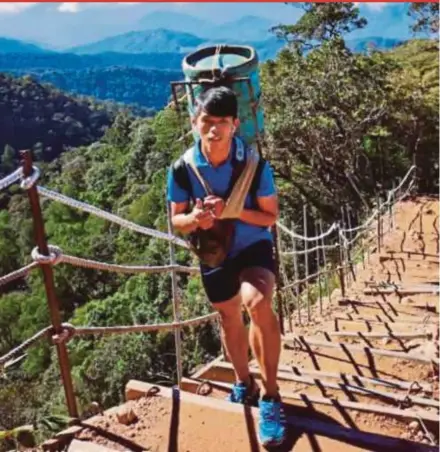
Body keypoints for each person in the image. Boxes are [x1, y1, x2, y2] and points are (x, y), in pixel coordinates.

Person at [167, 86, 286, 447]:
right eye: (208, 121)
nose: (214, 129)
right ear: (194, 122)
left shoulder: (253, 165)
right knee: (228, 316)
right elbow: (177, 220)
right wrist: (196, 219)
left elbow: (270, 216)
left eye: (223, 122)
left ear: (236, 124)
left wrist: (233, 211)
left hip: (254, 246)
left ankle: (270, 396)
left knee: (257, 302)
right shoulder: (182, 169)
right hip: (215, 252)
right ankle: (242, 382)